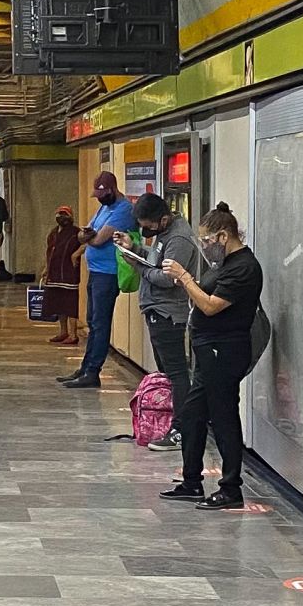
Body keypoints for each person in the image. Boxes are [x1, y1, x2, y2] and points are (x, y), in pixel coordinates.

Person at [157, 203, 262, 510]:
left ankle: (231, 488)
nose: (204, 246)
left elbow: (211, 305)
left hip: (225, 350)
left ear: (223, 236)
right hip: (208, 350)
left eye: (206, 240)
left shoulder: (244, 267)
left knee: (224, 416)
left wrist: (185, 277)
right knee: (192, 416)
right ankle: (191, 480)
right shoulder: (224, 265)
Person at [123, 192, 202, 452]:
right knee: (168, 372)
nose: (145, 230)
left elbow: (168, 279)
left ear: (163, 219)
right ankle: (171, 422)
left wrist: (138, 267)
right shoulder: (165, 234)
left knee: (177, 372)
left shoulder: (178, 239)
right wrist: (134, 249)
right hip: (157, 309)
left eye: (148, 226)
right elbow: (156, 261)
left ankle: (181, 428)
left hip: (168, 312)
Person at [60, 170, 133, 388]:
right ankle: (85, 367)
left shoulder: (123, 210)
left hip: (108, 273)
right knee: (92, 320)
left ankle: (93, 371)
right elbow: (82, 235)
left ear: (113, 190)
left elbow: (99, 239)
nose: (99, 198)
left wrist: (89, 237)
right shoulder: (105, 207)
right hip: (96, 271)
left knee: (100, 323)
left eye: (102, 194)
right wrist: (88, 236)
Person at [43, 206, 82, 345]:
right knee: (59, 303)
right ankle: (63, 331)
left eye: (64, 214)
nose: (61, 217)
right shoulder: (53, 233)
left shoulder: (76, 232)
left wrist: (76, 254)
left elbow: (87, 243)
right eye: (59, 214)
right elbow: (49, 251)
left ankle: (73, 334)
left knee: (70, 304)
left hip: (69, 273)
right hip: (54, 274)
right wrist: (46, 268)